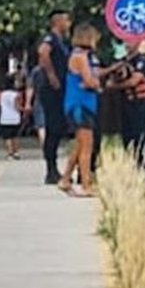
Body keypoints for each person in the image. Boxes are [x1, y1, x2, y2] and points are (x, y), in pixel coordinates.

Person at [59, 22, 104, 197]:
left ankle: (65, 178)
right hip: (80, 104)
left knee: (80, 145)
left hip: (82, 103)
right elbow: (90, 80)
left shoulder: (82, 56)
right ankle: (85, 184)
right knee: (87, 146)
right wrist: (94, 83)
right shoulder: (81, 57)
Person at [36, 10, 72, 185]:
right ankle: (50, 168)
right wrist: (51, 76)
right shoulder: (51, 38)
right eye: (66, 20)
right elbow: (43, 53)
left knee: (58, 128)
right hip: (52, 89)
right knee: (53, 127)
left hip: (60, 89)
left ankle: (53, 168)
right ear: (57, 22)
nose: (69, 24)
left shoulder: (62, 42)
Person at [108, 47, 145, 173]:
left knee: (142, 136)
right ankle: (130, 165)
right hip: (126, 104)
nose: (128, 44)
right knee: (127, 137)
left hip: (141, 104)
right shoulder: (122, 61)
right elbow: (113, 78)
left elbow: (134, 81)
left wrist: (115, 86)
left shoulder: (142, 59)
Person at [0, 77, 25, 160]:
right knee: (15, 136)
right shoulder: (16, 95)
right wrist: (24, 110)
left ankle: (10, 153)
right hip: (15, 118)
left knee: (7, 137)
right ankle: (16, 152)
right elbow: (17, 107)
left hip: (4, 118)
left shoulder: (1, 94)